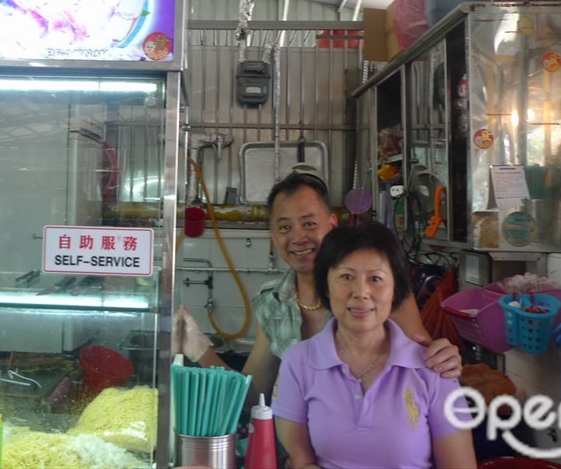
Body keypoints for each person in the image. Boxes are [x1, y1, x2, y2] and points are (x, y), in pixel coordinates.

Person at [175, 168, 461, 405]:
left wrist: (444, 357)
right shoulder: (273, 302)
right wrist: (199, 349)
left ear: (332, 224)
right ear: (273, 237)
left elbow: (429, 366)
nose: (299, 237)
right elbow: (254, 396)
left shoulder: (375, 294)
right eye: (285, 228)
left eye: (309, 223)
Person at [271, 223, 476, 469]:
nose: (361, 292)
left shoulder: (434, 368)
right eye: (346, 277)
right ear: (325, 285)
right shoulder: (299, 363)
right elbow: (300, 463)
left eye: (376, 279)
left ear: (395, 289)